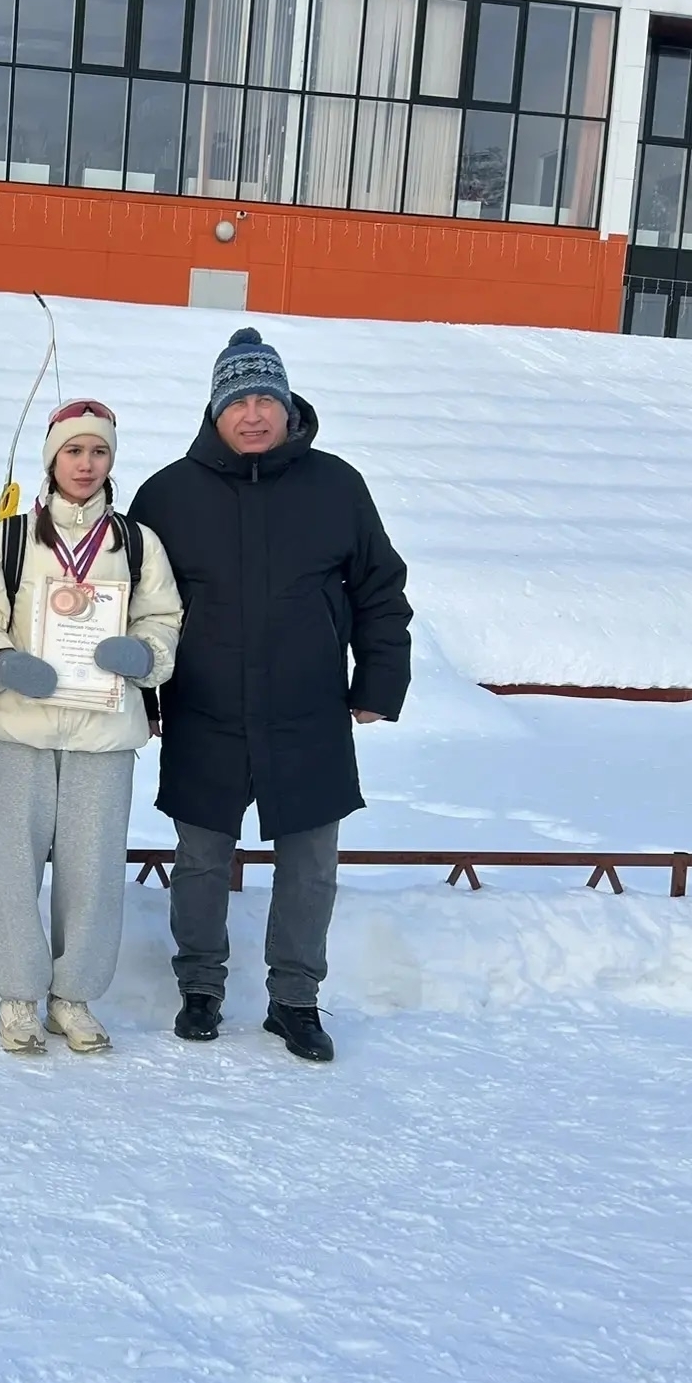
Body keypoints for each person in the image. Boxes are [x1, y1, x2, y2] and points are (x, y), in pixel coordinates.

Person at [130, 329, 411, 1063]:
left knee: (311, 860)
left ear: (288, 408)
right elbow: (134, 609)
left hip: (308, 708)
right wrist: (147, 698)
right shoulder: (165, 494)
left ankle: (294, 999)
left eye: (266, 399)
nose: (254, 414)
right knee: (199, 859)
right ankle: (200, 990)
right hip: (204, 708)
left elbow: (381, 590)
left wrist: (378, 681)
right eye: (239, 401)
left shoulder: (337, 485)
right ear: (214, 411)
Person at [0, 400, 182, 1055]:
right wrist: (2, 662)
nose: (86, 464)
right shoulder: (12, 538)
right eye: (74, 451)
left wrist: (146, 655)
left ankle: (71, 997)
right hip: (20, 730)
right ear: (52, 458)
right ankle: (18, 997)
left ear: (111, 462)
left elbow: (163, 619)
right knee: (11, 868)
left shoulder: (135, 542)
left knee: (95, 872)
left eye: (98, 452)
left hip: (102, 735)